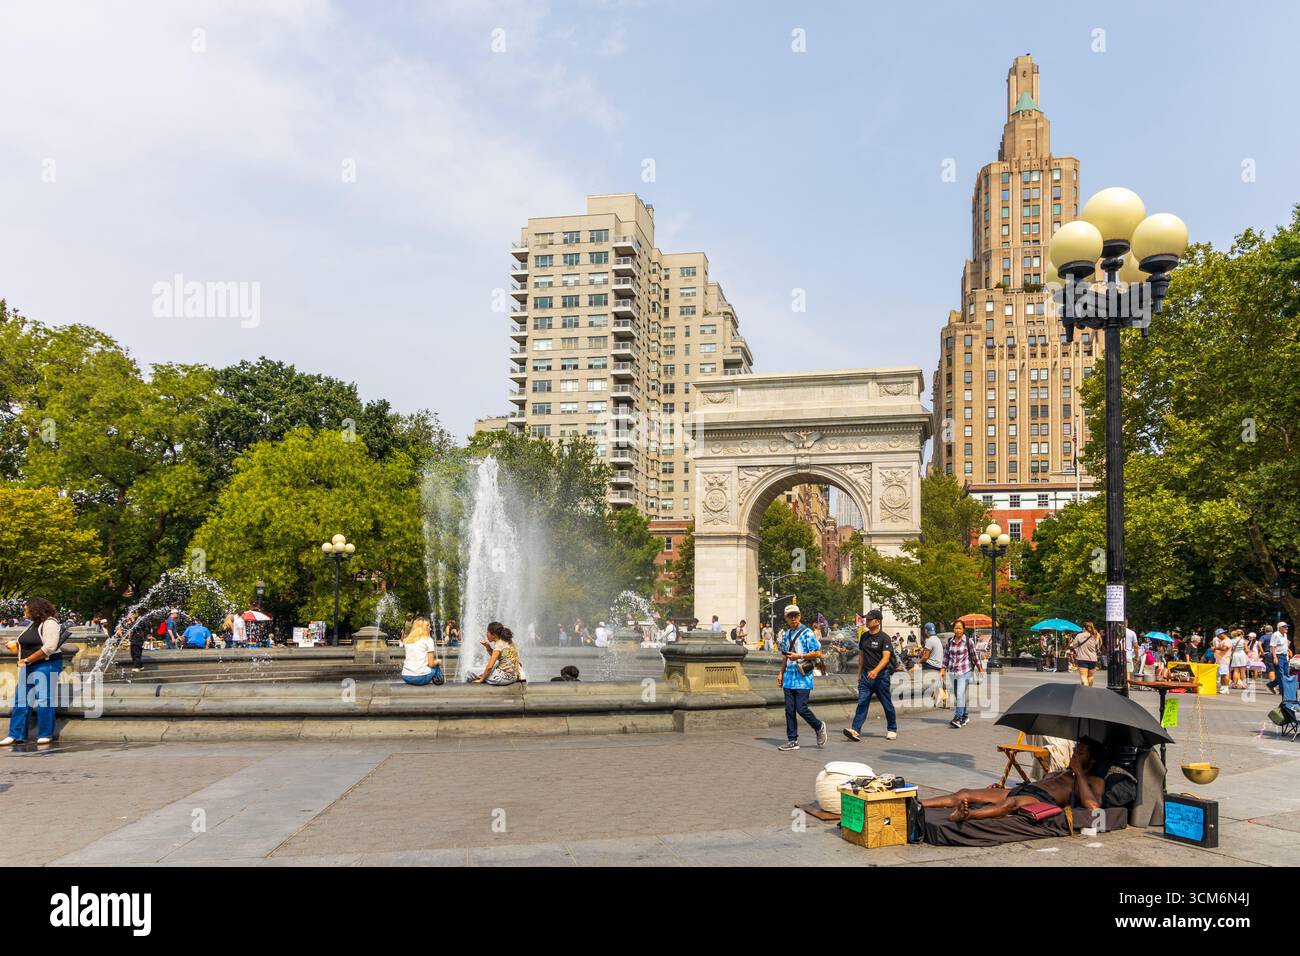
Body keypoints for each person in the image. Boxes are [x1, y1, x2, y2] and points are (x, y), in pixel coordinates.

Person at [920, 738, 1130, 823]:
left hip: (1042, 800)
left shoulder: (1093, 780)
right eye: (1075, 749)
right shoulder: (1062, 772)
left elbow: (1093, 806)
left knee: (1010, 804)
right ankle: (919, 804)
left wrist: (1079, 774)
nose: (1075, 753)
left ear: (1091, 759)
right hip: (1027, 789)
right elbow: (1038, 781)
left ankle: (967, 815)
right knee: (966, 792)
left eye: (1080, 752)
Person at [2, 598, 64, 747]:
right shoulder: (32, 624)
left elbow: (49, 648)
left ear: (34, 609)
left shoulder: (50, 623)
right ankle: (15, 735)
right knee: (20, 700)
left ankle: (45, 734)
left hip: (46, 664)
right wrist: (16, 644)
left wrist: (28, 660)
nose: (24, 611)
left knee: (44, 699)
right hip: (28, 665)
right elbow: (31, 640)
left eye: (26, 608)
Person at [776, 604, 827, 752]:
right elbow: (786, 656)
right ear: (786, 618)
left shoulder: (807, 633)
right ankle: (792, 740)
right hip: (789, 677)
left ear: (800, 616)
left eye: (796, 615)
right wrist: (781, 673)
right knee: (789, 710)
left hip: (803, 677)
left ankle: (819, 726)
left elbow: (818, 653)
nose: (794, 619)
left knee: (801, 708)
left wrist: (800, 656)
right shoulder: (787, 634)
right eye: (790, 616)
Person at [842, 608, 897, 742]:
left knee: (886, 703)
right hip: (866, 677)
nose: (866, 621)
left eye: (869, 619)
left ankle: (892, 728)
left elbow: (886, 658)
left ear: (877, 621)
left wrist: (876, 671)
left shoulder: (884, 638)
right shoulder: (864, 636)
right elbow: (861, 656)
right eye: (866, 619)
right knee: (862, 702)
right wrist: (860, 674)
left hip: (881, 677)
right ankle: (855, 730)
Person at [942, 620, 981, 727]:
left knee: (959, 694)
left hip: (965, 671)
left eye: (960, 628)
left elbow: (974, 656)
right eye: (956, 628)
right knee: (958, 695)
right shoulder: (950, 641)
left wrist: (980, 669)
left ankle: (958, 718)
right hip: (953, 672)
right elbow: (946, 656)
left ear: (963, 629)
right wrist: (942, 669)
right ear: (953, 629)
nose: (958, 630)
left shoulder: (969, 641)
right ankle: (965, 716)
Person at [400, 617, 443, 686]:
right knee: (436, 665)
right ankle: (438, 681)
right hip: (421, 677)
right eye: (428, 626)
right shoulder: (428, 640)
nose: (430, 628)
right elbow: (431, 664)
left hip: (406, 676)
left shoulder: (407, 640)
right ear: (423, 628)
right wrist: (438, 661)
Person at [1069, 622, 1102, 687]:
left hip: (1082, 658)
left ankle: (1085, 690)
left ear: (1084, 628)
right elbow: (1097, 648)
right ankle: (1089, 690)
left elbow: (1074, 645)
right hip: (1093, 659)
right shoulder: (1095, 636)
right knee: (1091, 676)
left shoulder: (1079, 635)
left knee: (1083, 676)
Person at [921, 622, 945, 705]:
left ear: (926, 630)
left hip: (932, 665)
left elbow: (925, 657)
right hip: (939, 664)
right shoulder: (937, 639)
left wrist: (919, 661)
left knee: (916, 667)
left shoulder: (929, 641)